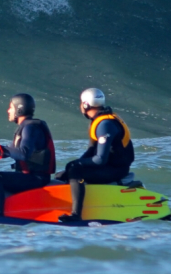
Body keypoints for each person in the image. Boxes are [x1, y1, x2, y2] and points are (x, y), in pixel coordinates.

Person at [57, 87, 135, 222]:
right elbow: (91, 151)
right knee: (64, 174)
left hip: (116, 170)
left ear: (86, 105)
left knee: (76, 172)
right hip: (110, 167)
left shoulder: (105, 124)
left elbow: (100, 159)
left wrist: (76, 166)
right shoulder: (100, 121)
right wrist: (72, 167)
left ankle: (76, 215)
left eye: (81, 103)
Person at [0, 93, 57, 216]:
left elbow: (24, 154)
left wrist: (2, 149)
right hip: (29, 176)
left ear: (19, 109)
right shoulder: (25, 127)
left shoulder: (30, 128)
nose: (8, 111)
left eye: (11, 107)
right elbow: (11, 151)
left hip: (37, 178)